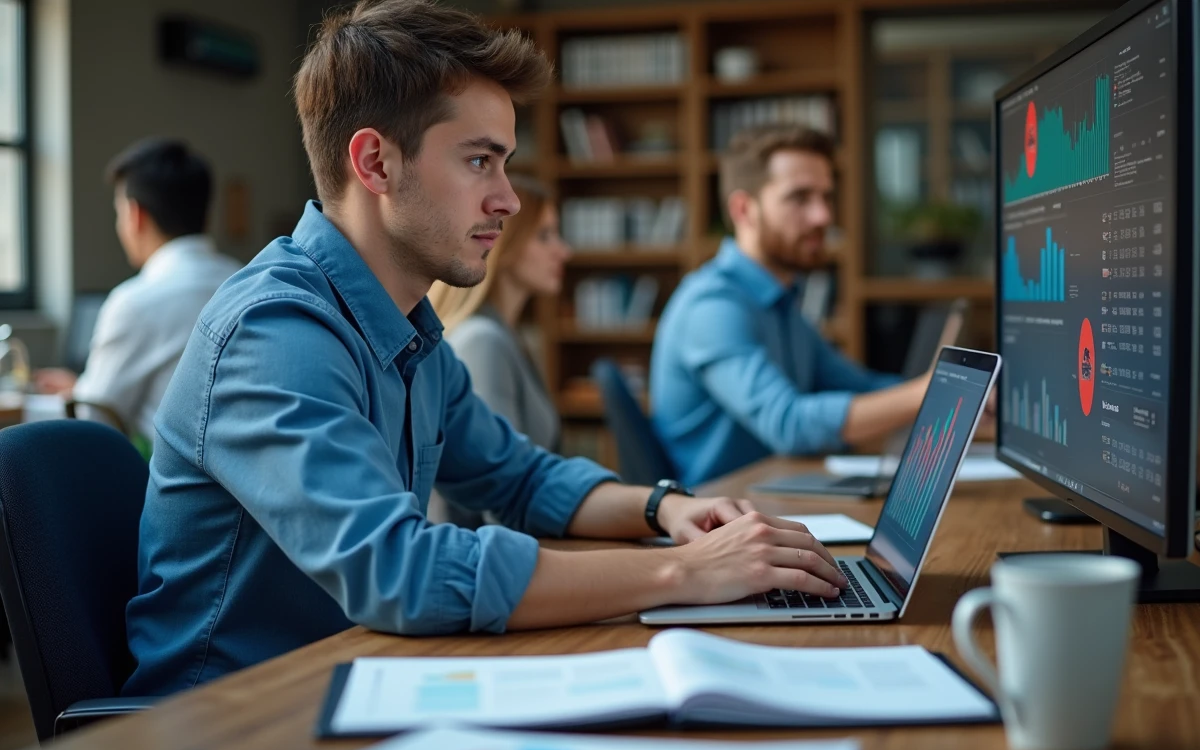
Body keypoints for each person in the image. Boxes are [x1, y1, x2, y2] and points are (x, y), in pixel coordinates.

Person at [123, 0, 847, 698]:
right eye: (480, 162)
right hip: (235, 723)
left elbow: (521, 479)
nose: (510, 198)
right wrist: (685, 574)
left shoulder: (407, 331)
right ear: (375, 163)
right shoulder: (275, 334)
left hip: (358, 677)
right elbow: (400, 572)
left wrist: (667, 512)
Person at [650, 125, 931, 486]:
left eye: (826, 197)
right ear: (743, 209)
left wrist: (942, 394)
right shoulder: (711, 305)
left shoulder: (781, 298)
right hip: (719, 518)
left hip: (776, 494)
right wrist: (925, 395)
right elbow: (788, 424)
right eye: (799, 198)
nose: (823, 217)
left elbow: (858, 385)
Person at [33, 139, 240, 448]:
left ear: (135, 215)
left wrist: (81, 395)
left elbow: (94, 419)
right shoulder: (247, 280)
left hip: (170, 485)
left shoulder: (135, 302)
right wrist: (81, 388)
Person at [426, 175, 565, 527]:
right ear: (502, 243)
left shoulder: (509, 336)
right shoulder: (482, 341)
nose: (563, 250)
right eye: (544, 236)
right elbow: (500, 497)